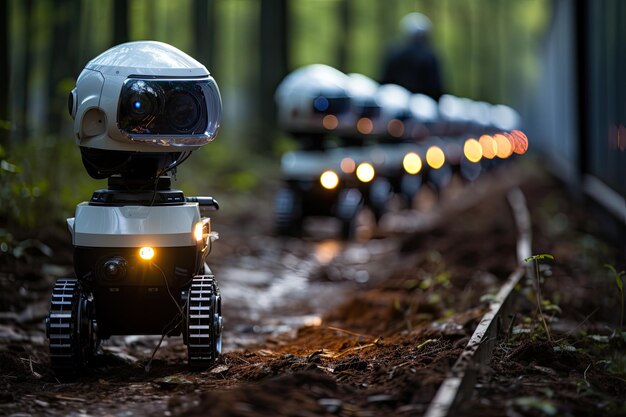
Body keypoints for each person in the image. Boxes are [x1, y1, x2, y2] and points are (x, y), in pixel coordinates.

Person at [380, 12, 444, 101]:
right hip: (421, 103)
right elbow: (436, 86)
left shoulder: (396, 51)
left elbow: (385, 80)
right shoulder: (430, 55)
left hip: (396, 100)